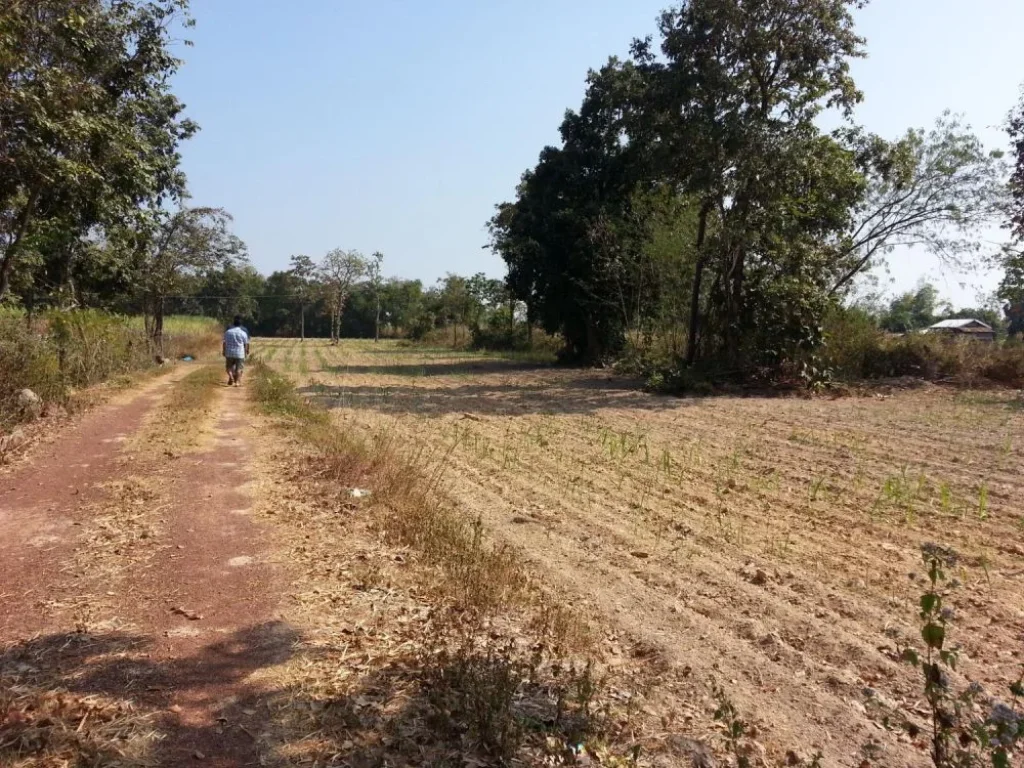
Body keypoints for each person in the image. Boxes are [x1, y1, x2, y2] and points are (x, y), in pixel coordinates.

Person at [222, 316, 250, 386]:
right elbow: (246, 344)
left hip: (229, 352)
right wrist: (246, 351)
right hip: (240, 353)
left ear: (233, 324)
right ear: (240, 324)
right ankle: (237, 382)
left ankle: (231, 377)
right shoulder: (243, 333)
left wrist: (224, 350)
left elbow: (224, 342)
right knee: (239, 368)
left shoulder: (228, 332)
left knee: (229, 367)